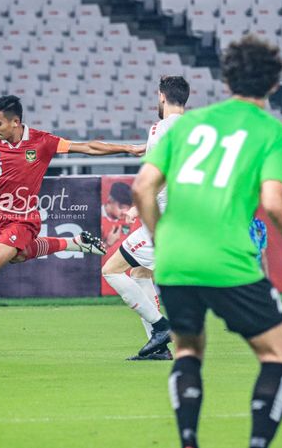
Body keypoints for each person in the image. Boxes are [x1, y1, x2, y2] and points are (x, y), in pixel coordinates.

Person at [132, 35, 282, 448]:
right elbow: (275, 202)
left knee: (188, 351)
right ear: (275, 85)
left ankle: (189, 440)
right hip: (229, 261)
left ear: (226, 82)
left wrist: (161, 239)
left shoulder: (185, 125)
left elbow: (141, 189)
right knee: (278, 355)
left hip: (176, 262)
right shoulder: (272, 133)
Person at [0, 95, 146, 342]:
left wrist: (127, 148)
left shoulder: (42, 142)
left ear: (15, 122)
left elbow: (87, 147)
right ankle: (74, 242)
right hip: (1, 220)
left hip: (25, 220)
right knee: (18, 255)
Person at [101, 75, 190, 361]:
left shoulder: (160, 128)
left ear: (162, 97)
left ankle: (162, 327)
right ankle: (158, 347)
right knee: (140, 273)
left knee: (111, 270)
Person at [101, 181, 134, 250]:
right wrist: (107, 243)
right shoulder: (94, 218)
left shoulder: (129, 220)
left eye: (128, 209)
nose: (125, 212)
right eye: (121, 207)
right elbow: (87, 256)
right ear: (110, 200)